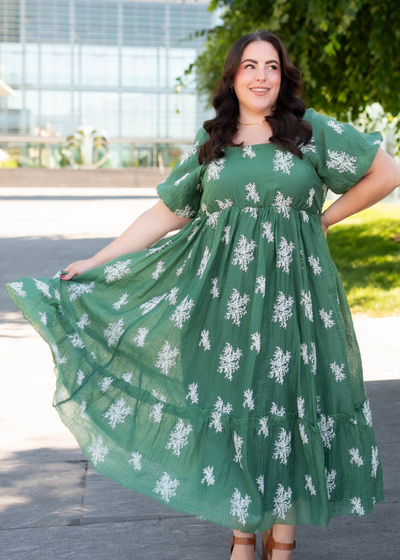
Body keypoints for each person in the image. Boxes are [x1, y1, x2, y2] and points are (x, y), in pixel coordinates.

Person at [5, 29, 400, 560]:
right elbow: (166, 213)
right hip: (225, 300)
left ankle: (282, 541)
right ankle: (242, 535)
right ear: (233, 77)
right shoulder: (213, 141)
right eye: (250, 67)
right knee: (233, 403)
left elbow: (385, 172)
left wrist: (322, 219)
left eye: (273, 67)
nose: (262, 76)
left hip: (299, 297)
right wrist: (100, 260)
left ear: (283, 78)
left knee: (289, 404)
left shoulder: (309, 132)